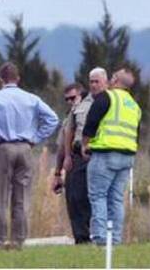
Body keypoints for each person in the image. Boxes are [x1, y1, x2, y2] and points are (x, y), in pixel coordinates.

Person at [0, 62, 60, 249]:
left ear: (1, 80)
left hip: (3, 148)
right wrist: (35, 138)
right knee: (22, 197)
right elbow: (53, 119)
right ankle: (18, 241)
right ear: (18, 78)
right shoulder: (31, 98)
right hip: (25, 148)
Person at [82, 68, 142, 246]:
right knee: (116, 199)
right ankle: (115, 239)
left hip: (105, 153)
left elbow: (91, 122)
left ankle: (100, 238)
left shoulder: (107, 97)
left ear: (114, 80)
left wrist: (85, 144)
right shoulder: (134, 106)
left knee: (98, 196)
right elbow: (137, 133)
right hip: (127, 156)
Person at [51, 78, 92, 243]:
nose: (70, 102)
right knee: (74, 200)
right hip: (73, 159)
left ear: (81, 95)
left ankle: (89, 236)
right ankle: (81, 238)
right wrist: (57, 172)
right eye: (66, 99)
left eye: (73, 98)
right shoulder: (69, 117)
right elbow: (61, 147)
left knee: (85, 199)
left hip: (87, 156)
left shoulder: (88, 109)